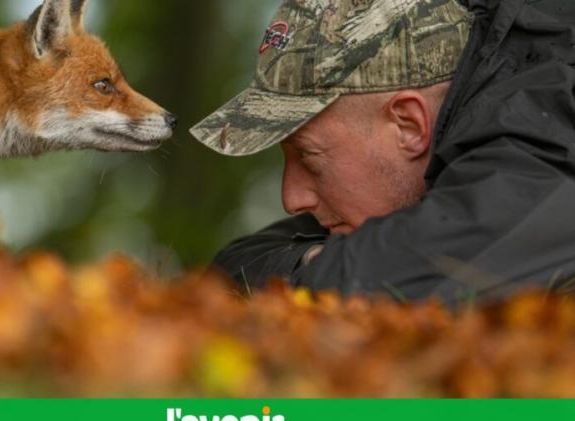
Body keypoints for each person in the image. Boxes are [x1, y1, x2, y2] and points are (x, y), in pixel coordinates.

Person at [190, 0, 575, 305]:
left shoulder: (546, 112)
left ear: (409, 125)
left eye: (309, 158)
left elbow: (449, 269)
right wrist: (312, 262)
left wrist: (322, 267)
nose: (291, 198)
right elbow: (236, 265)